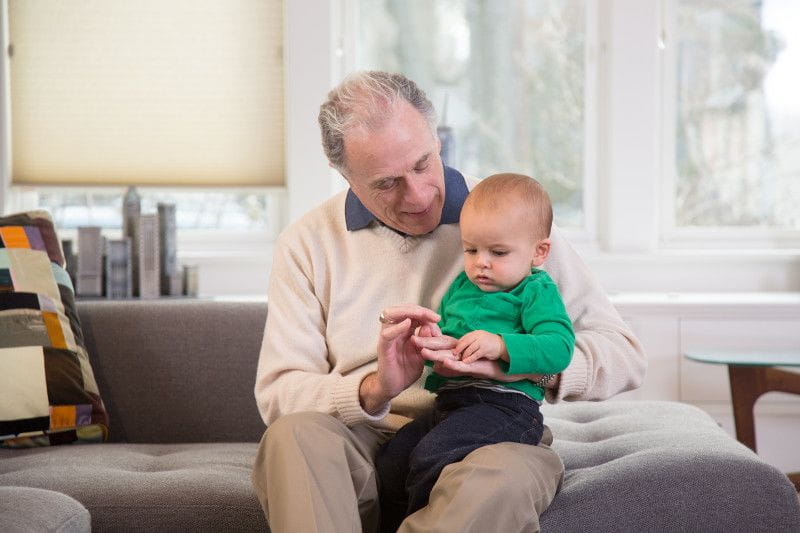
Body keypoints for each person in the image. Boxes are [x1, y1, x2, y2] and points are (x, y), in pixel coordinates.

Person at [252, 70, 646, 532]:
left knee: (496, 481)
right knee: (293, 438)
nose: (418, 196)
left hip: (490, 435)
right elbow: (279, 394)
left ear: (436, 140)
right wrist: (376, 387)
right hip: (363, 438)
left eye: (422, 164)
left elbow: (624, 355)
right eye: (386, 183)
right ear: (344, 176)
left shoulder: (507, 220)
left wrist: (510, 361)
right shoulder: (307, 243)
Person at [376, 173, 576, 531]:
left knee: (432, 454)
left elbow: (559, 347)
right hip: (452, 404)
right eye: (471, 250)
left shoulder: (534, 290)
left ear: (539, 252)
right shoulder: (463, 285)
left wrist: (501, 345)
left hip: (507, 407)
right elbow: (452, 337)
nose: (481, 262)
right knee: (394, 458)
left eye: (498, 252)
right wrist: (433, 343)